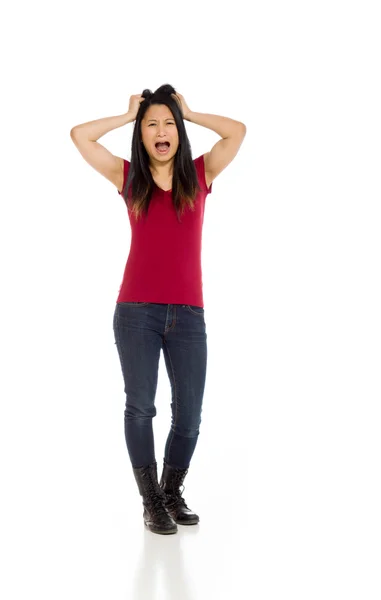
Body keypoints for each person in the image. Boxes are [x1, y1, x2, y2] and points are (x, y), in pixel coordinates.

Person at [70, 84, 246, 535]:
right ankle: (150, 501)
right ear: (142, 135)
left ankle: (170, 492)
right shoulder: (129, 177)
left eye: (169, 123)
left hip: (189, 315)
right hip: (136, 312)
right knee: (140, 408)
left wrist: (190, 111)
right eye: (152, 124)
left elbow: (237, 132)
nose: (162, 130)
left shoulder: (200, 174)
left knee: (190, 416)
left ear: (179, 132)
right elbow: (80, 136)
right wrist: (126, 115)